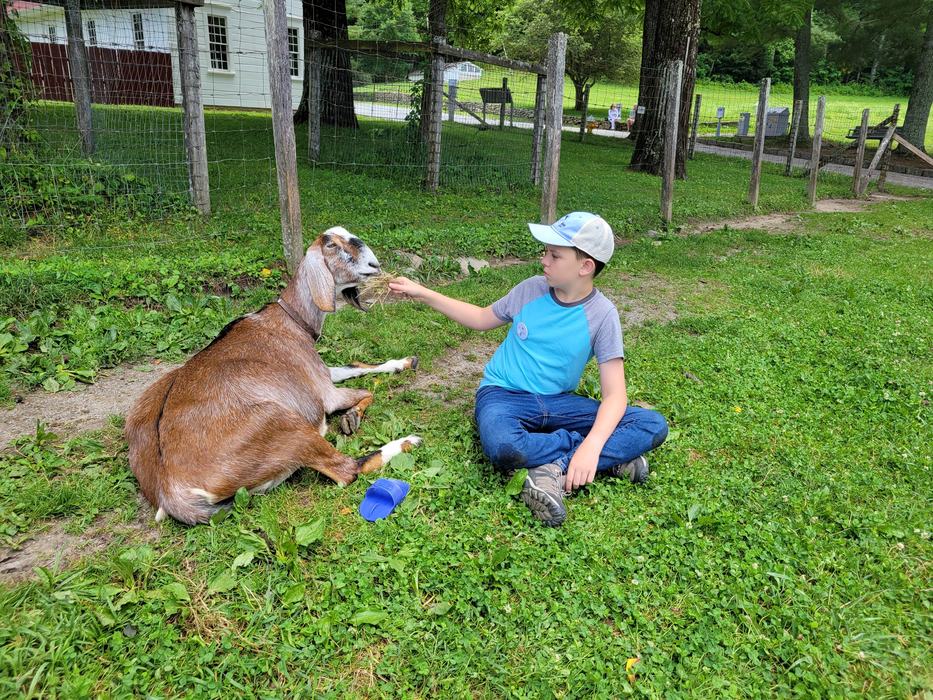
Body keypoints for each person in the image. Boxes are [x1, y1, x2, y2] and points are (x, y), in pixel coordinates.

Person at [388, 212, 669, 527]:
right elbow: (482, 318)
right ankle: (610, 458)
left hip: (559, 402)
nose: (543, 260)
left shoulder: (603, 315)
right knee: (504, 448)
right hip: (502, 395)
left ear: (585, 266)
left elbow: (615, 396)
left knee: (652, 425)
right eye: (545, 252)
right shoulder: (530, 289)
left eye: (554, 255)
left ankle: (556, 467)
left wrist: (592, 446)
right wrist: (422, 292)